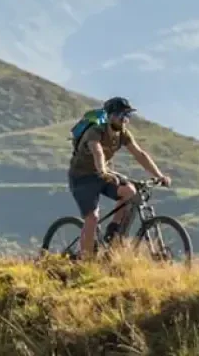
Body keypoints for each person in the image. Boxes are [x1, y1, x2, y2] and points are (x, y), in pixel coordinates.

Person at [66, 96, 170, 258]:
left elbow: (140, 154)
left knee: (130, 192)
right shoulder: (95, 132)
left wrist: (159, 175)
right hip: (82, 177)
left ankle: (113, 232)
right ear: (110, 116)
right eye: (122, 115)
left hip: (103, 175)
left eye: (127, 116)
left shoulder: (123, 134)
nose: (125, 120)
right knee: (92, 218)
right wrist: (102, 170)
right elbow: (97, 151)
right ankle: (85, 261)